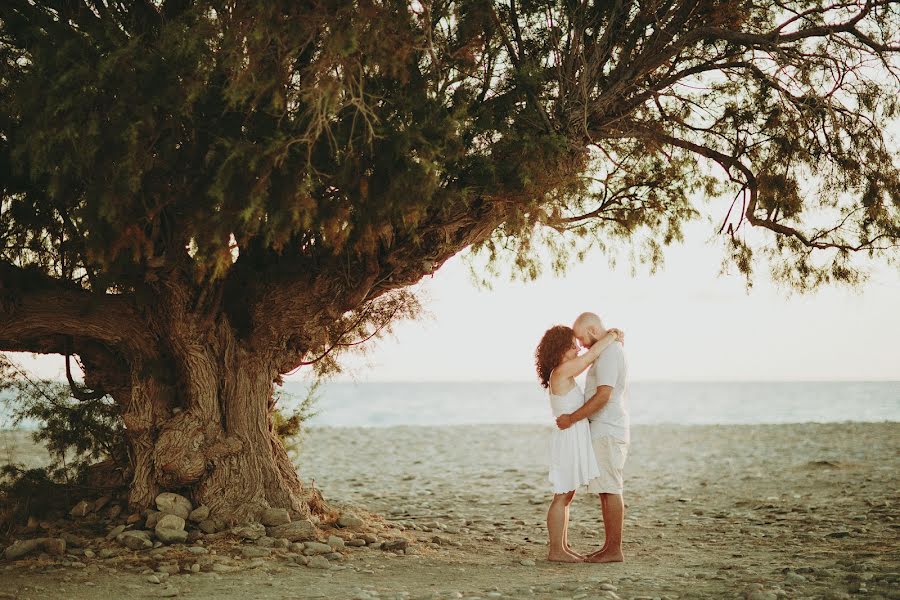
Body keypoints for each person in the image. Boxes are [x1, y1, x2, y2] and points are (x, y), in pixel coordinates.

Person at [535, 324, 623, 563]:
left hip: (572, 436)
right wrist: (612, 335)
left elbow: (588, 357)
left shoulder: (562, 371)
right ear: (560, 349)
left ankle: (561, 547)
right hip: (568, 438)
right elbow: (591, 356)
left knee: (566, 495)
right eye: (572, 347)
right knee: (562, 494)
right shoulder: (562, 370)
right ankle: (556, 551)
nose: (576, 350)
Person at [557, 312, 629, 563]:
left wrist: (572, 418)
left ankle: (614, 550)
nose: (581, 344)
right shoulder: (605, 350)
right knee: (605, 490)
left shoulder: (609, 354)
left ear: (592, 330)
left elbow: (603, 396)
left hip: (608, 428)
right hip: (602, 428)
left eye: (581, 337)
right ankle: (608, 547)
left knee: (611, 488)